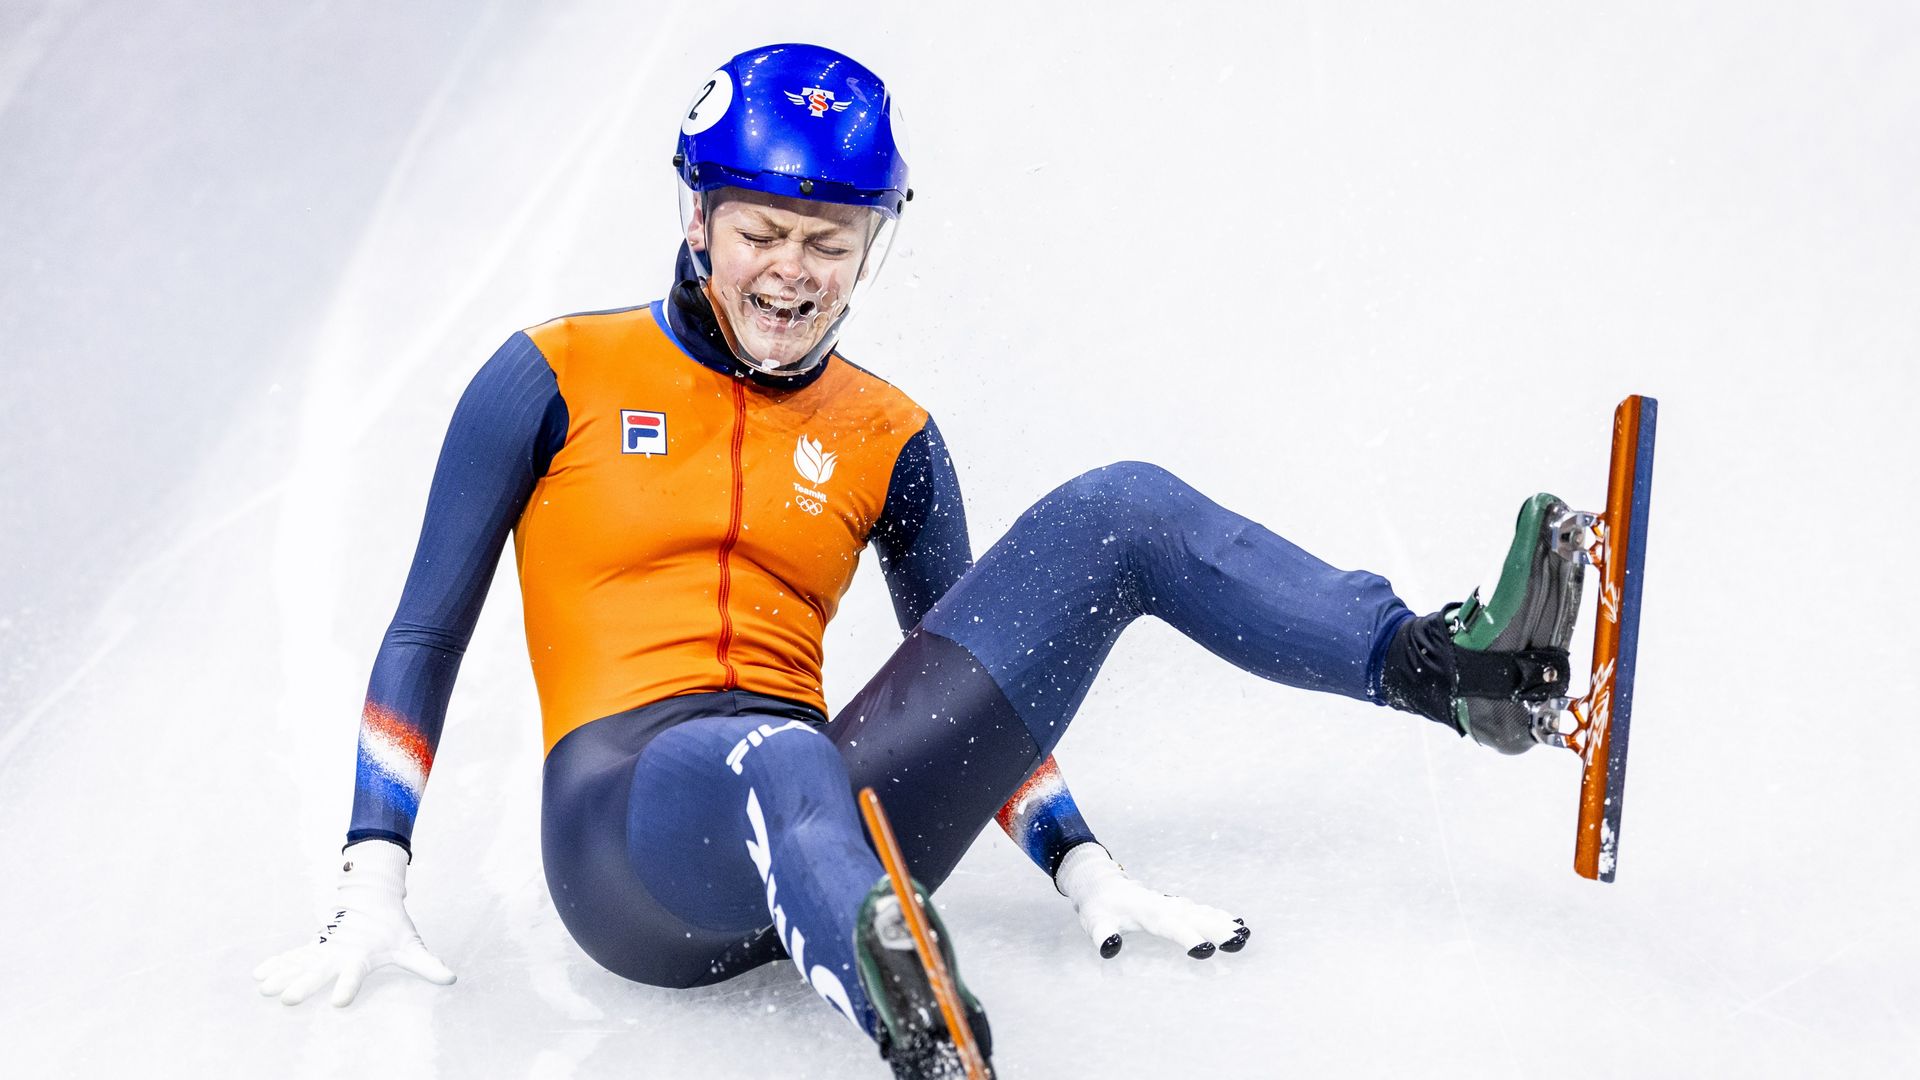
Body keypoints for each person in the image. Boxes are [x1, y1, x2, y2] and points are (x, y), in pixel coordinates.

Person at [254, 43, 1585, 1079]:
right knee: (780, 756)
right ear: (696, 219)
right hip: (629, 846)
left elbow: (986, 688)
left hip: (832, 815)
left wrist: (1085, 872)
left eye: (829, 246)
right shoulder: (552, 375)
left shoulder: (890, 435)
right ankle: (936, 1043)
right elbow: (428, 631)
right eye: (761, 234)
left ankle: (1454, 674)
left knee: (1116, 509)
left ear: (871, 250)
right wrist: (373, 872)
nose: (791, 273)